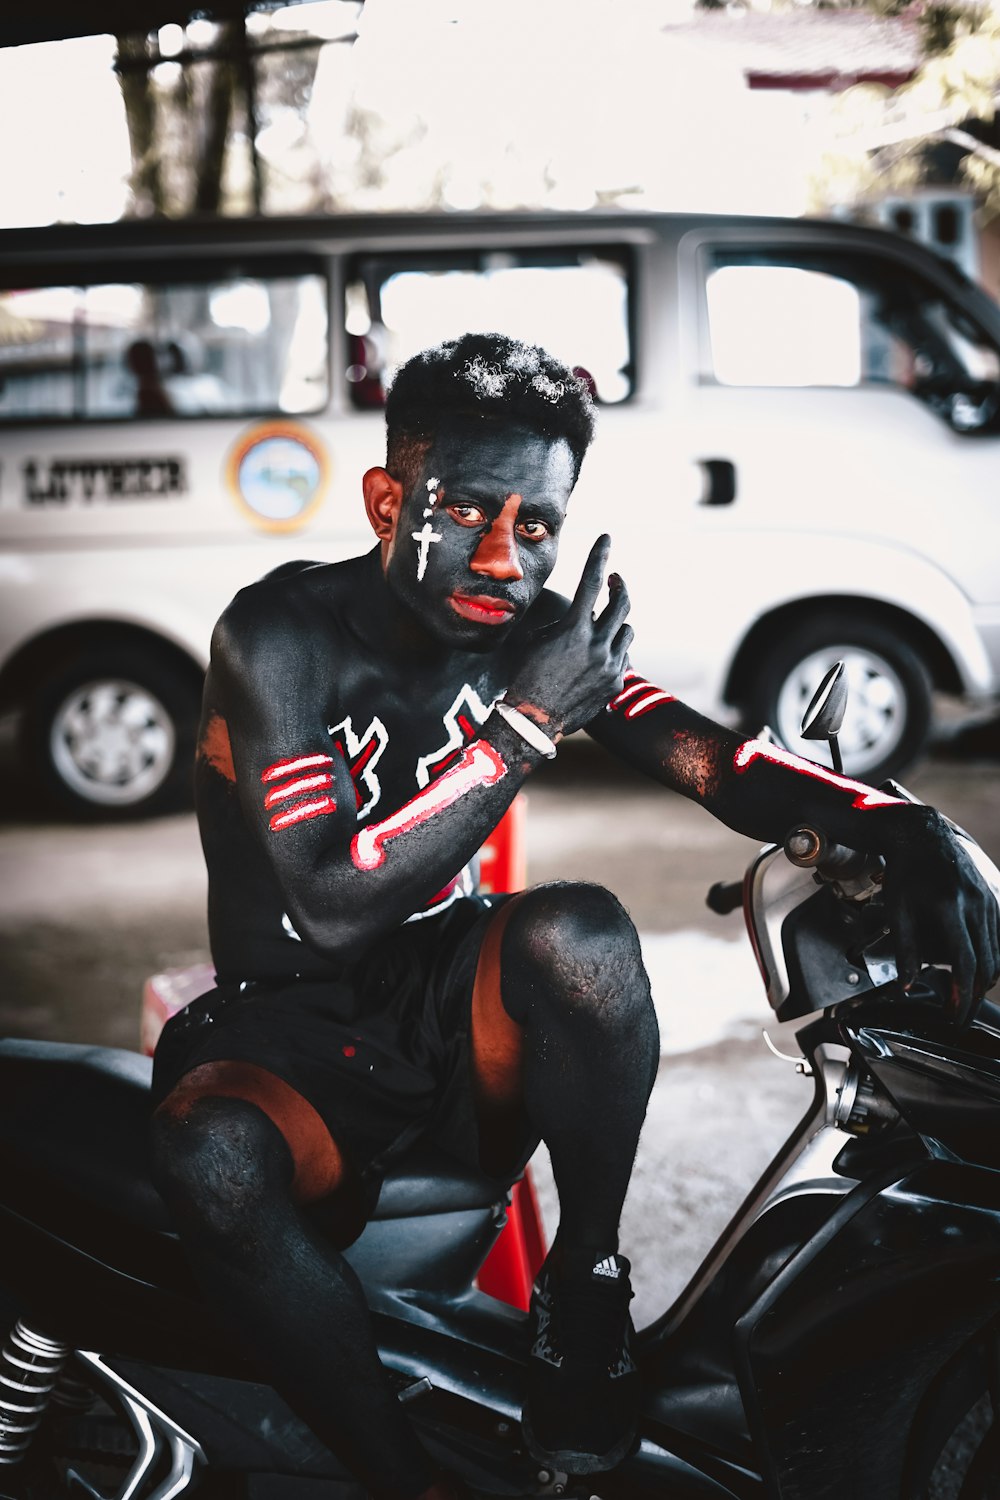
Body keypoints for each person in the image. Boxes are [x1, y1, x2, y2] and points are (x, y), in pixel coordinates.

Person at [150, 332, 999, 1499]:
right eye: (467, 512)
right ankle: (399, 1478)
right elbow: (331, 907)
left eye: (535, 526)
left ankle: (583, 1287)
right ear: (389, 498)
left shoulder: (535, 633)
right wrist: (525, 728)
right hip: (282, 1020)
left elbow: (710, 761)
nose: (502, 557)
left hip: (441, 997)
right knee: (212, 1160)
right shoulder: (279, 637)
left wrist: (890, 820)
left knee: (579, 933)